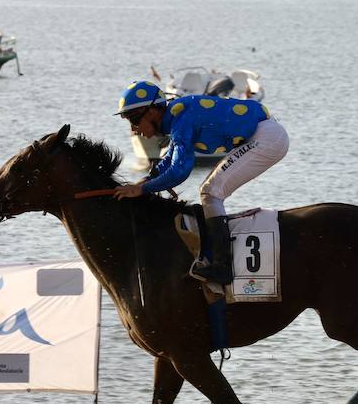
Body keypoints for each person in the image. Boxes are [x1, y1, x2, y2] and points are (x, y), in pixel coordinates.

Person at [112, 79, 289, 284]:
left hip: (267, 139)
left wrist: (144, 189)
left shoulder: (182, 118)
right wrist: (145, 181)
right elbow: (170, 158)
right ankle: (217, 258)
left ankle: (222, 266)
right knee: (210, 190)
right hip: (266, 134)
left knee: (210, 191)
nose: (134, 130)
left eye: (134, 120)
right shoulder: (178, 116)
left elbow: (180, 171)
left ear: (151, 111)